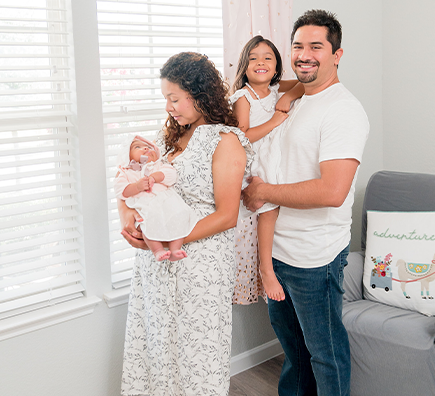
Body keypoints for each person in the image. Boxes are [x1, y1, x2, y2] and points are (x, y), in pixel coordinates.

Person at [242, 9, 369, 396]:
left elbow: (331, 192)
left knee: (324, 355)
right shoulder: (293, 96)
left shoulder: (343, 110)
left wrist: (262, 192)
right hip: (277, 251)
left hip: (315, 257)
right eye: (298, 46)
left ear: (337, 54)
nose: (304, 54)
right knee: (295, 355)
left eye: (316, 46)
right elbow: (267, 82)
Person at [118, 52, 252, 395]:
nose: (169, 107)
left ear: (199, 94)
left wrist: (163, 235)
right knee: (157, 352)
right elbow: (142, 185)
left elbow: (226, 215)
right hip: (156, 265)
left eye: (174, 98)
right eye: (166, 99)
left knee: (195, 359)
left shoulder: (225, 141)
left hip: (198, 266)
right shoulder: (172, 139)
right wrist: (135, 224)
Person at [230, 35, 304, 303]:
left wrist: (289, 96)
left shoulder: (274, 90)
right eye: (253, 58)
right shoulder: (244, 96)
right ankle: (266, 269)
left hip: (275, 155)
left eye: (267, 58)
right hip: (256, 160)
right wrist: (274, 121)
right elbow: (243, 136)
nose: (260, 62)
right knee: (268, 211)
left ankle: (277, 263)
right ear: (244, 66)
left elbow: (303, 83)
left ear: (276, 67)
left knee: (285, 203)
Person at [114, 134, 198, 262]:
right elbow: (121, 191)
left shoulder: (158, 165)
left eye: (149, 147)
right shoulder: (126, 172)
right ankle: (157, 250)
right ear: (127, 155)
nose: (146, 149)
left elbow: (171, 175)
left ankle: (175, 249)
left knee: (181, 215)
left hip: (166, 202)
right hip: (145, 205)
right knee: (146, 224)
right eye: (138, 147)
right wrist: (136, 187)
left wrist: (155, 177)